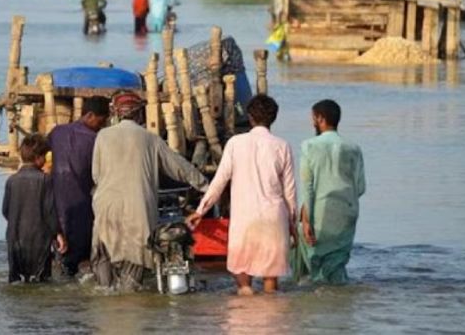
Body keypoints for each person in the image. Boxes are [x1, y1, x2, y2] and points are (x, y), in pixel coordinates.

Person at [90, 92, 208, 291]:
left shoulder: (102, 136)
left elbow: (96, 174)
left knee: (103, 256)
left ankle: (105, 295)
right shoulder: (150, 139)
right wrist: (205, 185)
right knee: (135, 261)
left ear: (116, 114)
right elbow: (179, 167)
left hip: (106, 206)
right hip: (138, 208)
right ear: (139, 115)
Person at [187, 94, 297, 295]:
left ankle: (243, 316)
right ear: (274, 118)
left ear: (250, 117)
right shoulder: (282, 146)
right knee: (271, 286)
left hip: (245, 220)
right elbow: (289, 193)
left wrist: (201, 211)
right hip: (274, 218)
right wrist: (293, 226)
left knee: (243, 284)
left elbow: (219, 181)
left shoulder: (236, 144)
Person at [292, 99, 365, 285]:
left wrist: (306, 218)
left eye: (313, 118)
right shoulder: (354, 148)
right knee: (337, 264)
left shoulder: (309, 146)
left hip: (320, 211)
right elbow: (361, 187)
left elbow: (307, 186)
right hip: (347, 212)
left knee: (314, 263)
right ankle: (340, 308)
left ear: (320, 119)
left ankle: (321, 307)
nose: (312, 122)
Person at [48, 97, 110, 276]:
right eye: (101, 120)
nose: (102, 125)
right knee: (81, 256)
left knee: (62, 254)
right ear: (89, 115)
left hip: (56, 205)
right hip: (82, 205)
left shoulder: (57, 132)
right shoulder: (96, 140)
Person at [2, 134, 67, 283]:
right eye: (44, 156)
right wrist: (58, 234)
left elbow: (5, 211)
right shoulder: (45, 180)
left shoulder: (11, 181)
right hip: (39, 239)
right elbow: (49, 212)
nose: (45, 160)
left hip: (15, 238)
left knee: (16, 281)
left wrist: (18, 222)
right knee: (41, 280)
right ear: (38, 157)